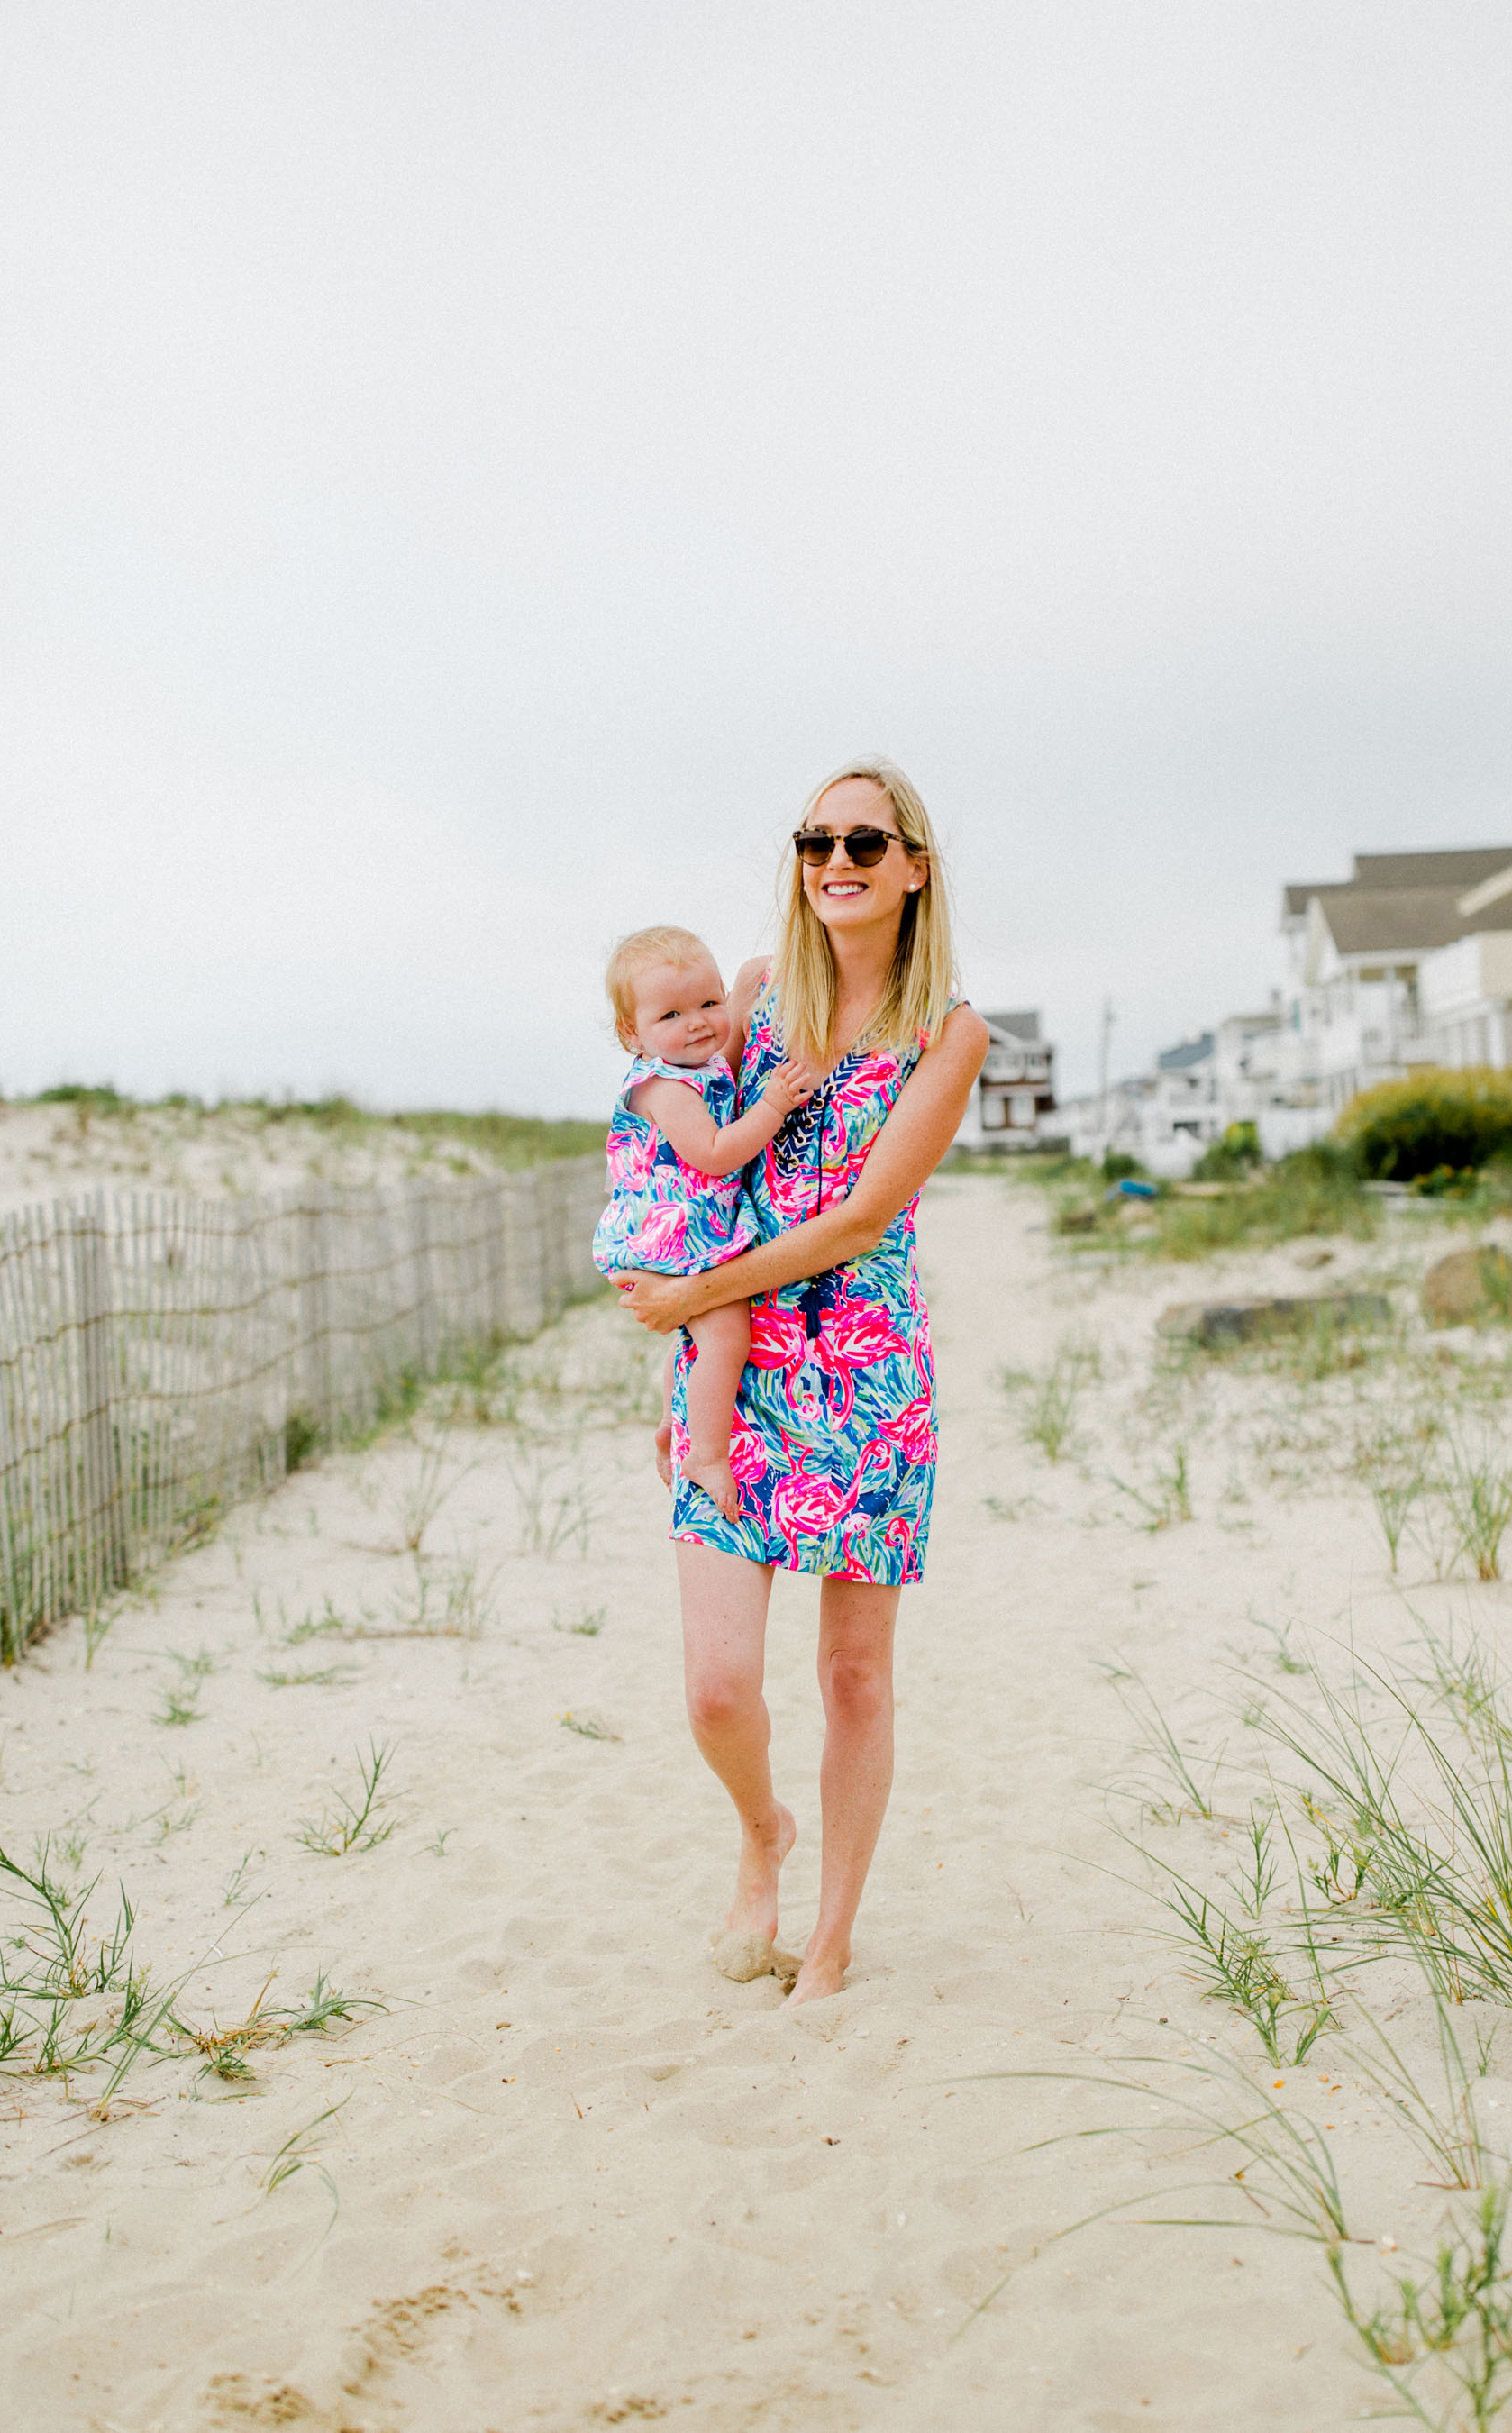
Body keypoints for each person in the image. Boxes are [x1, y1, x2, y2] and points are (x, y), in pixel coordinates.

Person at [617, 761, 988, 2007]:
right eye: (816, 838)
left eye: (866, 842)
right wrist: (680, 1349)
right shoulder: (757, 998)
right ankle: (760, 1827)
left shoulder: (952, 1034)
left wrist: (691, 1301)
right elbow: (692, 1172)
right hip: (736, 1369)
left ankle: (828, 1936)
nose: (836, 859)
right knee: (718, 1688)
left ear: (914, 866)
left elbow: (860, 1220)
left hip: (870, 1379)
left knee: (852, 1676)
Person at [593, 925, 817, 1520]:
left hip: (682, 1232)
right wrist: (773, 1105)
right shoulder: (664, 1086)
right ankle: (707, 1456)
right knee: (726, 1338)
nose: (697, 1022)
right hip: (669, 1239)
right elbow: (714, 1152)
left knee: (698, 1337)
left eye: (709, 1004)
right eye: (671, 1013)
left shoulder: (700, 1067)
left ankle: (674, 1422)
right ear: (631, 1034)